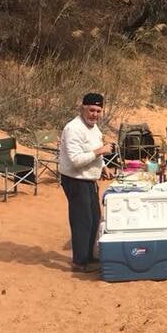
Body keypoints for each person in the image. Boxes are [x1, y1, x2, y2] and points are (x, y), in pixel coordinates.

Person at [58, 92, 114, 273]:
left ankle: (89, 256)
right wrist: (100, 152)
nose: (94, 114)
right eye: (91, 110)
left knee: (94, 218)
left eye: (98, 111)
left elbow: (95, 152)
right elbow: (75, 160)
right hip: (75, 180)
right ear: (83, 108)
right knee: (82, 220)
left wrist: (103, 166)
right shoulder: (73, 128)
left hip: (89, 178)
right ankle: (79, 261)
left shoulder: (94, 128)